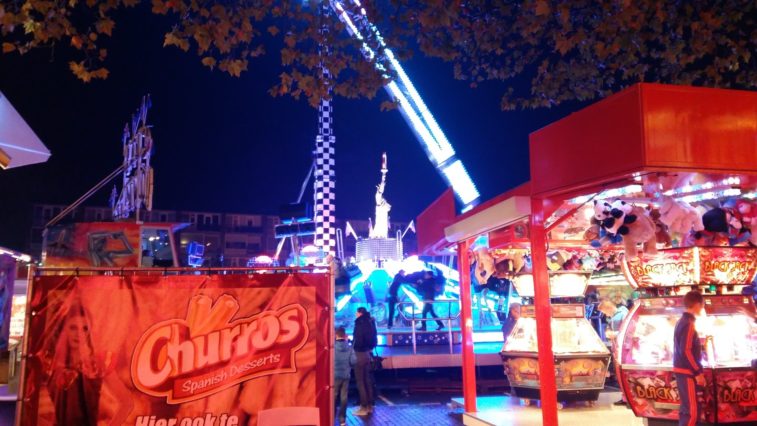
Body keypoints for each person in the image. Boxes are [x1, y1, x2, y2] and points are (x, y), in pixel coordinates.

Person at [674, 290, 706, 426]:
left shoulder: (682, 321)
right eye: (703, 304)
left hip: (682, 370)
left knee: (686, 410)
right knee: (691, 412)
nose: (703, 307)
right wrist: (698, 372)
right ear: (698, 304)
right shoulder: (688, 323)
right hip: (687, 373)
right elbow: (686, 351)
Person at [597, 299, 630, 406]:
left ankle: (628, 398)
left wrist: (614, 334)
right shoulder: (616, 315)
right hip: (618, 347)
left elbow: (628, 330)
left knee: (624, 375)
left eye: (605, 312)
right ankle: (625, 397)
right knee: (620, 374)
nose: (605, 314)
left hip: (624, 348)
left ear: (608, 308)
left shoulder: (623, 314)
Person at [352, 307, 377, 416]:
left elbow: (358, 339)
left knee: (360, 381)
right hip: (367, 353)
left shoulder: (360, 323)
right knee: (367, 380)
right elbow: (374, 337)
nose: (355, 314)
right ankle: (370, 405)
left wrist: (354, 347)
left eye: (356, 312)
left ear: (360, 313)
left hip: (359, 353)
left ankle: (363, 406)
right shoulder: (370, 322)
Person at [334, 327, 356, 426]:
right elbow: (354, 361)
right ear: (345, 335)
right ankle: (342, 419)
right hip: (346, 375)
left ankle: (331, 416)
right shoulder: (350, 347)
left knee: (333, 397)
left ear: (336, 335)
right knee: (344, 397)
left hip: (334, 375)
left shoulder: (332, 347)